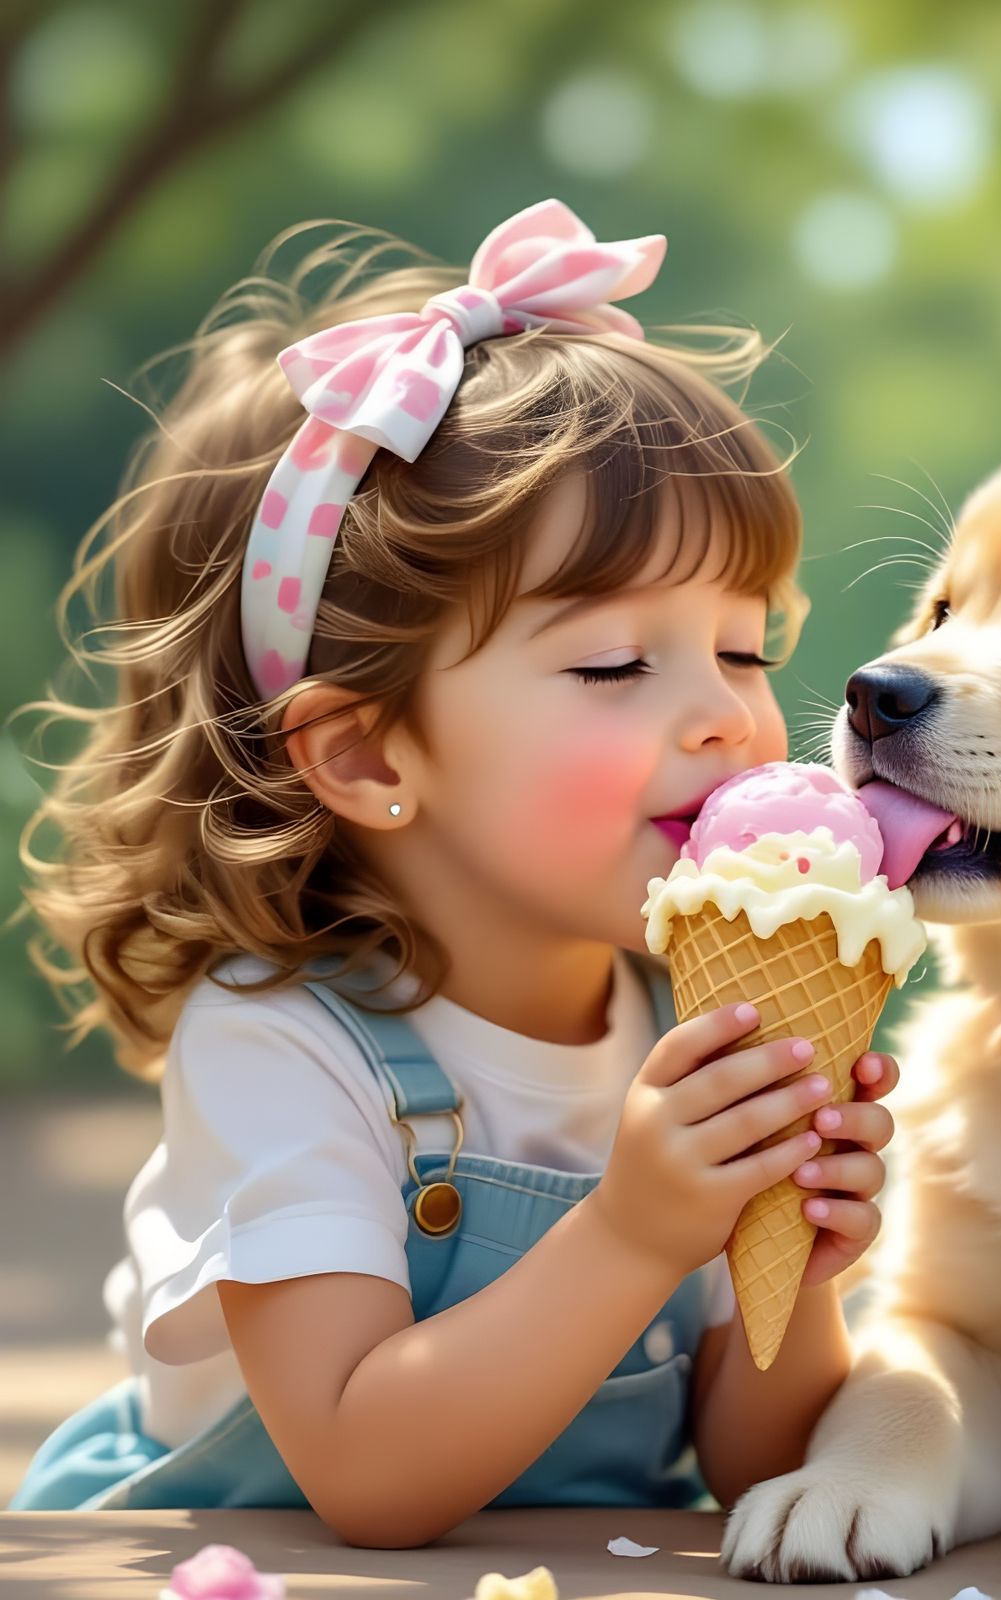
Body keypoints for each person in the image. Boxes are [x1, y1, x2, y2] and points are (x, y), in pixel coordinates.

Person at [9, 201, 900, 1545]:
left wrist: (800, 1268)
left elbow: (753, 1468)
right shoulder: (280, 1042)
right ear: (368, 755)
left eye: (744, 649)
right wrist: (635, 1234)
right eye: (614, 663)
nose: (728, 716)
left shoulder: (685, 1022)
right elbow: (364, 1474)